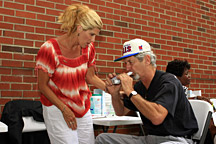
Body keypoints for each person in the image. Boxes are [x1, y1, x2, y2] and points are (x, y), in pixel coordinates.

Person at [95, 38, 198, 144]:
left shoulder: (169, 82)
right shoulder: (140, 86)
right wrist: (115, 93)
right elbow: (121, 112)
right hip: (150, 139)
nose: (127, 68)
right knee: (103, 139)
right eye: (125, 63)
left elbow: (157, 117)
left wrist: (130, 91)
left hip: (176, 139)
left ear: (147, 60)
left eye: (130, 62)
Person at [35, 4, 106, 144]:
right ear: (79, 28)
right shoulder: (49, 49)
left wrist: (112, 89)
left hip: (82, 107)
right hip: (57, 108)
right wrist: (64, 109)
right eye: (91, 34)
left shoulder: (88, 49)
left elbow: (90, 77)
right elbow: (42, 86)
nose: (93, 40)